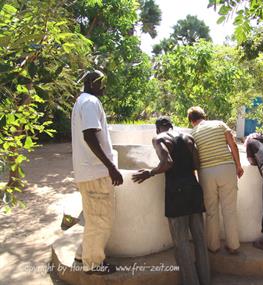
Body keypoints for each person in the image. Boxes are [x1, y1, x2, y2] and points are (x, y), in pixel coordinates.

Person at [132, 116, 210, 285]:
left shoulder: (159, 138)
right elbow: (197, 164)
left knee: (181, 242)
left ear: (157, 128)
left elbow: (167, 162)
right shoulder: (189, 137)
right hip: (194, 189)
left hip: (177, 193)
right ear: (172, 125)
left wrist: (150, 173)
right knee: (199, 239)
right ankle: (206, 279)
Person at [71, 70, 123, 273]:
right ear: (92, 83)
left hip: (88, 173)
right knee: (101, 219)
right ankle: (93, 264)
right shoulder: (91, 102)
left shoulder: (81, 101)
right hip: (96, 173)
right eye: (101, 83)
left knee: (94, 218)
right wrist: (111, 167)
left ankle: (82, 253)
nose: (104, 87)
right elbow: (90, 136)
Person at [187, 106, 243, 254]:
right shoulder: (219, 124)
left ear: (191, 121)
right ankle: (234, 246)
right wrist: (238, 166)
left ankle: (213, 246)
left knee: (211, 211)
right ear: (204, 116)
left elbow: (194, 158)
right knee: (229, 209)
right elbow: (233, 145)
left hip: (206, 173)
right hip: (226, 168)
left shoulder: (192, 133)